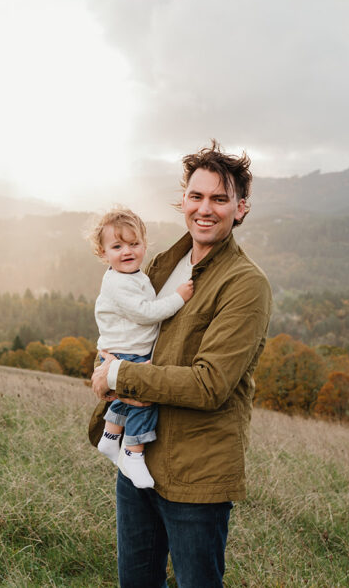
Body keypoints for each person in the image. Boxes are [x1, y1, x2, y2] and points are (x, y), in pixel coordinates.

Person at [88, 140, 272, 588]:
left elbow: (210, 384)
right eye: (196, 196)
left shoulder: (245, 285)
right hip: (140, 457)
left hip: (195, 474)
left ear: (241, 209)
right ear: (183, 201)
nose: (204, 209)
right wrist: (105, 359)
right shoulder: (165, 262)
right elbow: (134, 331)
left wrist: (119, 374)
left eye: (219, 198)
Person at [89, 207, 195, 489]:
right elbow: (146, 313)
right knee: (144, 401)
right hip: (126, 353)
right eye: (117, 246)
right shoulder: (118, 282)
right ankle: (133, 453)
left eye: (134, 244)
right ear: (103, 253)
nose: (127, 251)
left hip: (123, 349)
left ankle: (110, 438)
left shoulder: (132, 275)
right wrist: (179, 298)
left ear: (145, 245)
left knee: (125, 398)